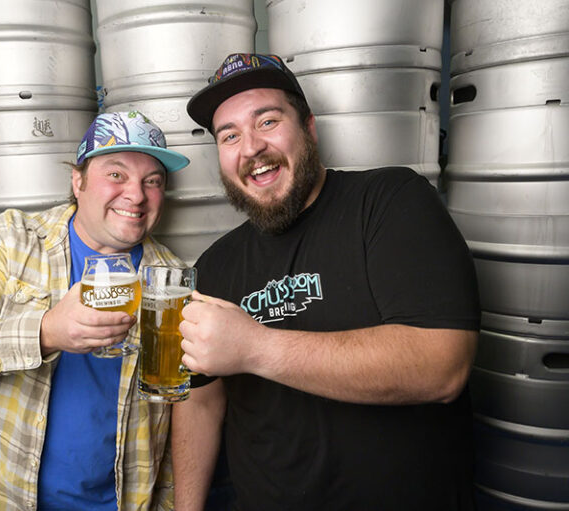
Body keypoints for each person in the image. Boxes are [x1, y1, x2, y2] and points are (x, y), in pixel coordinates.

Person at [172, 53, 480, 511]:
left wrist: (256, 347)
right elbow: (201, 402)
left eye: (268, 121)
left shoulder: (390, 201)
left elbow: (442, 365)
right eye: (229, 135)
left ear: (309, 128)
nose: (251, 147)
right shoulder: (215, 265)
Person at [0, 111, 190, 511]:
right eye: (116, 174)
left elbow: (180, 415)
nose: (137, 194)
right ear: (78, 182)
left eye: (153, 181)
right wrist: (44, 332)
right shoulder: (13, 240)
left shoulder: (173, 279)